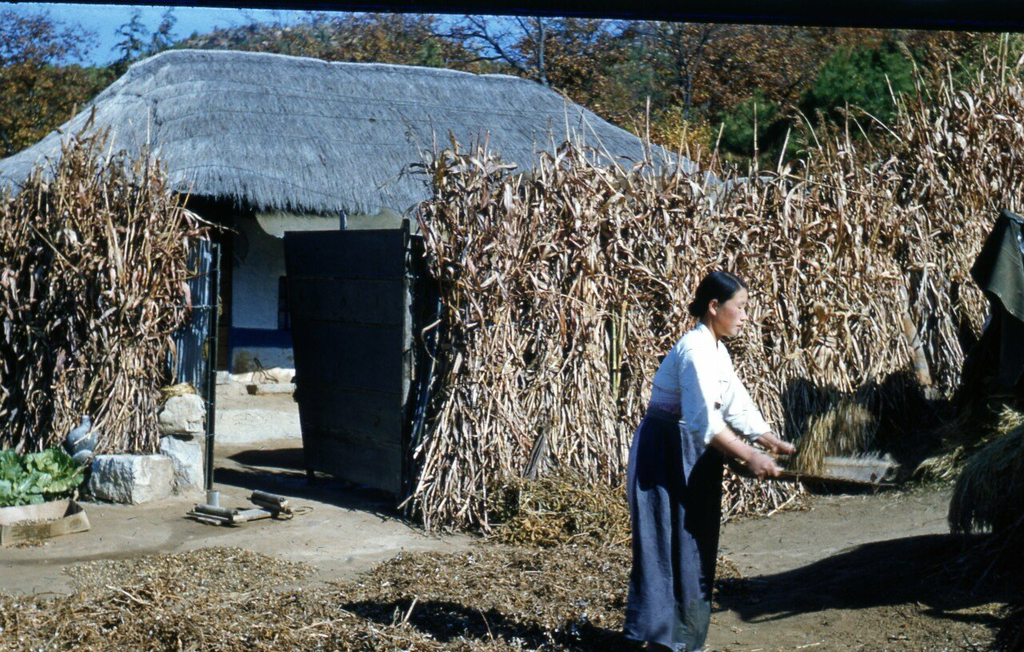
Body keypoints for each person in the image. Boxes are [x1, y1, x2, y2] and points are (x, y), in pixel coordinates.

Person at [623, 270, 796, 652]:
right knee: (663, 545)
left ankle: (684, 642)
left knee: (693, 544)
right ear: (714, 307)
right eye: (741, 308)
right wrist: (750, 455)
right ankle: (660, 641)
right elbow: (704, 420)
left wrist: (771, 441)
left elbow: (735, 403)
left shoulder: (717, 350)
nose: (746, 317)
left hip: (693, 455)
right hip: (664, 453)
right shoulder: (694, 350)